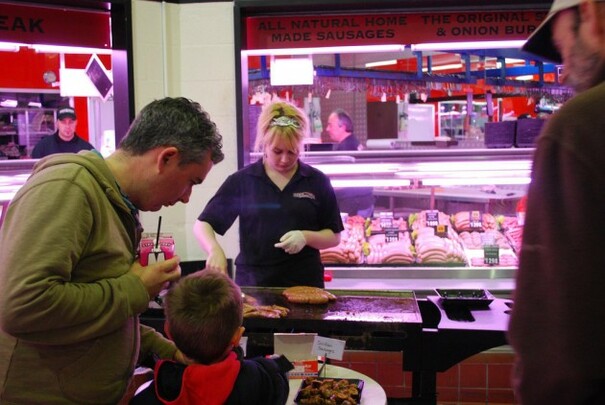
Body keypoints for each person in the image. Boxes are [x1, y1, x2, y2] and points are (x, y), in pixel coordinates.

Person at [0, 97, 224, 404]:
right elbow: (22, 307)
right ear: (167, 158)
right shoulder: (68, 187)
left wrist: (166, 350)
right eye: (191, 182)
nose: (186, 197)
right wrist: (136, 288)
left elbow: (93, 317)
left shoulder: (114, 202)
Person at [507, 0, 605, 403]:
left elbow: (553, 325)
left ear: (593, 14)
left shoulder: (581, 124)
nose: (563, 72)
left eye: (565, 50)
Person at [194, 100, 343, 287]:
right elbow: (203, 224)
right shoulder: (243, 181)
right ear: (264, 143)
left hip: (306, 283)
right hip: (255, 285)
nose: (284, 159)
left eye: (292, 152)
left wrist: (306, 237)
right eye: (277, 151)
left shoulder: (316, 181)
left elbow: (334, 236)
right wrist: (214, 249)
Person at [130, 270, 293, 404]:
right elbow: (280, 381)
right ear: (237, 337)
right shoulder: (262, 380)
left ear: (168, 332)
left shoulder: (151, 396)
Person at [326, 108, 374, 217]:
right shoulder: (352, 142)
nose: (327, 129)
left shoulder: (346, 148)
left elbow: (340, 179)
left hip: (354, 203)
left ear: (342, 127)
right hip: (362, 201)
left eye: (330, 125)